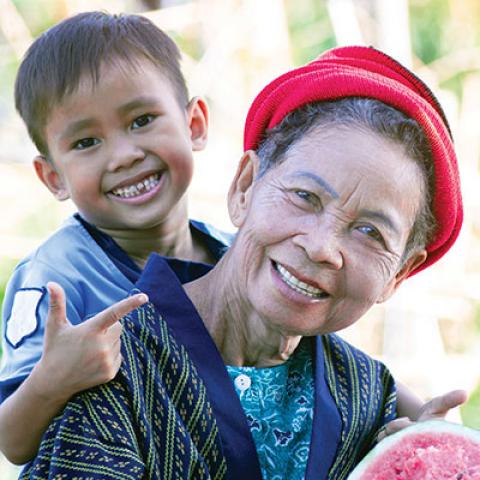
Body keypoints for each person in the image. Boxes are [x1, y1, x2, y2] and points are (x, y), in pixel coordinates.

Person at [19, 45, 466, 480]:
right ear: (245, 187)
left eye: (371, 232)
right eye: (305, 197)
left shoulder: (370, 400)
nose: (321, 248)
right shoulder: (110, 371)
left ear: (400, 273)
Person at [0, 11, 233, 465]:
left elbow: (332, 364)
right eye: (87, 143)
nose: (124, 156)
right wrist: (54, 379)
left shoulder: (234, 254)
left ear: (195, 124)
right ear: (53, 177)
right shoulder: (56, 280)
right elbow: (11, 441)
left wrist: (415, 413)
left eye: (142, 119)